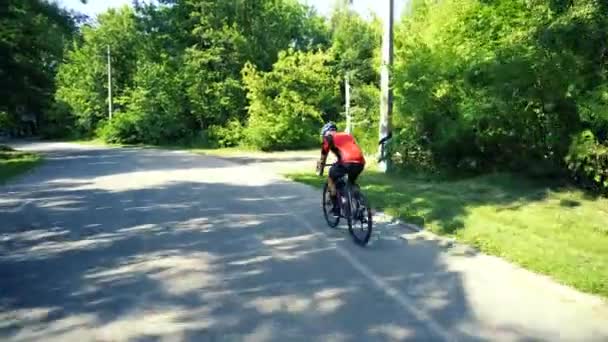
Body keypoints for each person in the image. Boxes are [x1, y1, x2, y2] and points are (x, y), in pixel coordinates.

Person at [316, 122, 366, 216]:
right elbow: (349, 150)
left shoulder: (328, 138)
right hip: (360, 162)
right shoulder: (347, 135)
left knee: (331, 176)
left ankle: (336, 208)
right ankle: (360, 202)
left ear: (326, 133)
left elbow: (323, 157)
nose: (323, 137)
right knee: (351, 183)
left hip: (346, 162)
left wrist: (320, 169)